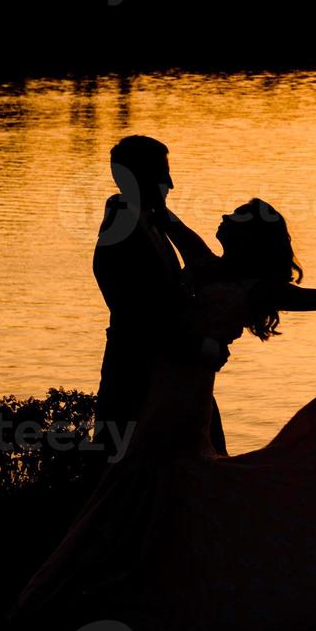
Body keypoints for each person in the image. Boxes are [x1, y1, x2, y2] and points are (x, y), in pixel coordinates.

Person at [13, 198, 316, 631]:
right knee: (154, 473)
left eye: (233, 216)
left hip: (184, 397)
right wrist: (147, 202)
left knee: (153, 470)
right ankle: (149, 578)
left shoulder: (257, 287)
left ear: (248, 237)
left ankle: (138, 586)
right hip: (162, 387)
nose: (221, 216)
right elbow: (172, 226)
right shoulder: (210, 264)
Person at [91, 136, 227, 461]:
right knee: (128, 472)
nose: (171, 184)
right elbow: (140, 317)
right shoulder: (125, 228)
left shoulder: (146, 219)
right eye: (163, 174)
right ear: (140, 178)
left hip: (168, 370)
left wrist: (165, 215)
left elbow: (205, 264)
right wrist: (202, 348)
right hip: (137, 376)